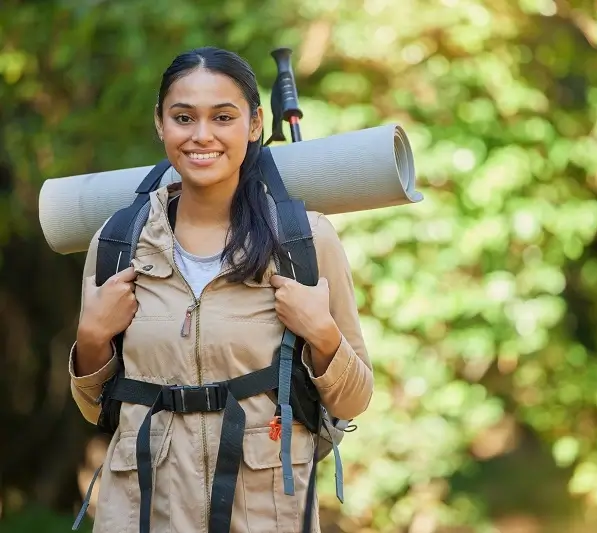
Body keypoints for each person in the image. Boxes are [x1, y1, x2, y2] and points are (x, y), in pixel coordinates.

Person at [67, 46, 374, 533]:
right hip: (145, 513)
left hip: (265, 513)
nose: (201, 135)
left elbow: (353, 402)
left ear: (254, 124)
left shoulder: (303, 241)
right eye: (183, 117)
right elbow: (96, 409)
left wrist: (323, 335)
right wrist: (90, 340)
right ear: (160, 123)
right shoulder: (117, 242)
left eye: (223, 117)